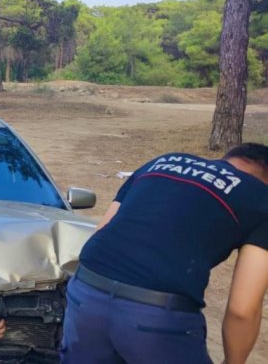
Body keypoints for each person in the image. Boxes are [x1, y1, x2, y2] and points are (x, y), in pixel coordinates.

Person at [61, 143, 268, 364]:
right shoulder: (261, 197)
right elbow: (242, 310)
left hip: (85, 292)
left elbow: (102, 230)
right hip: (154, 315)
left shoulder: (163, 162)